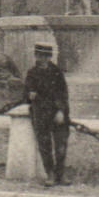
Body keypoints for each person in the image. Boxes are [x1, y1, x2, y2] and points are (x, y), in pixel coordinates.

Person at [25, 43, 71, 187]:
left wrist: (61, 111)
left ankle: (60, 174)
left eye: (45, 56)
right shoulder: (32, 73)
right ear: (36, 56)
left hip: (57, 113)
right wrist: (29, 95)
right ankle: (50, 174)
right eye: (40, 55)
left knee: (60, 146)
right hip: (40, 114)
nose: (43, 59)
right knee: (44, 146)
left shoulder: (56, 72)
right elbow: (26, 94)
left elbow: (63, 94)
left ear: (49, 57)